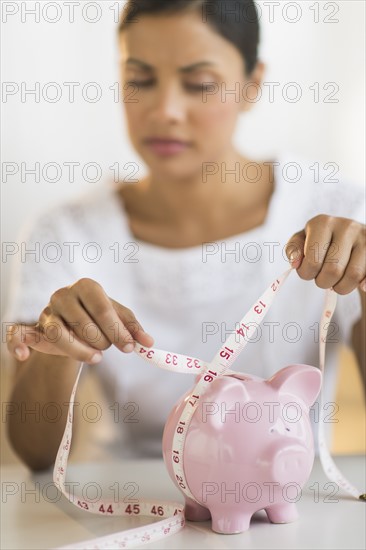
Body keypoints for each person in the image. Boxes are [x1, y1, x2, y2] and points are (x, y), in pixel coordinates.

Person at [4, 0, 365, 472]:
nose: (165, 110)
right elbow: (34, 453)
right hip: (136, 500)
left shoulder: (338, 211)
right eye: (139, 80)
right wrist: (58, 349)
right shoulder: (65, 233)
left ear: (252, 85)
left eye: (199, 84)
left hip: (286, 496)